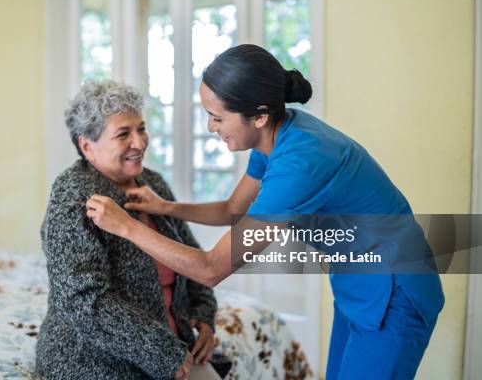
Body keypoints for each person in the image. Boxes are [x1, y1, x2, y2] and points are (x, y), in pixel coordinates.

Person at [84, 44, 445, 380]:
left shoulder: (300, 163)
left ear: (257, 116)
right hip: (358, 280)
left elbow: (211, 269)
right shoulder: (272, 137)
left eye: (218, 118)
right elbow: (232, 209)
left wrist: (127, 227)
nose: (211, 127)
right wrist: (167, 207)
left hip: (394, 288)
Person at [35, 80, 230, 380]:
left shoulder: (151, 183)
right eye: (123, 134)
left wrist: (205, 316)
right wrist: (161, 351)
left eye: (141, 128)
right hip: (97, 362)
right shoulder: (72, 196)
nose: (139, 143)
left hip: (175, 349)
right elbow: (85, 300)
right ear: (87, 146)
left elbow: (191, 259)